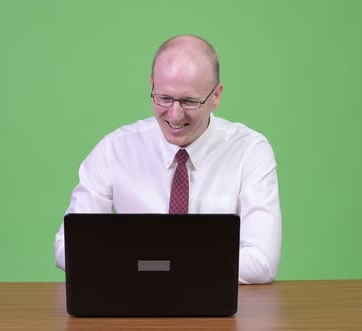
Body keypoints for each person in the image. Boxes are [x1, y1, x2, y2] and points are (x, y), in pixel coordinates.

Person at [53, 34, 282, 284]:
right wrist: (193, 264)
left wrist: (150, 264)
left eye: (189, 101)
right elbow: (66, 247)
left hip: (216, 311)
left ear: (216, 96)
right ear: (152, 85)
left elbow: (262, 261)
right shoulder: (114, 150)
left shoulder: (250, 151)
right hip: (132, 305)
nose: (174, 115)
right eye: (164, 98)